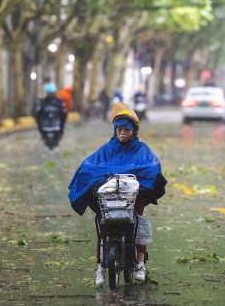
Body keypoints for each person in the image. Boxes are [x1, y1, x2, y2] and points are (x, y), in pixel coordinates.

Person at [67, 102, 167, 286]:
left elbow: (152, 167)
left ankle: (139, 262)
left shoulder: (141, 150)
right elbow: (90, 165)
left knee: (137, 221)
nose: (122, 133)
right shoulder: (107, 149)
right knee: (102, 224)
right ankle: (100, 264)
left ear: (134, 131)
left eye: (126, 130)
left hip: (132, 197)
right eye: (119, 129)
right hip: (109, 199)